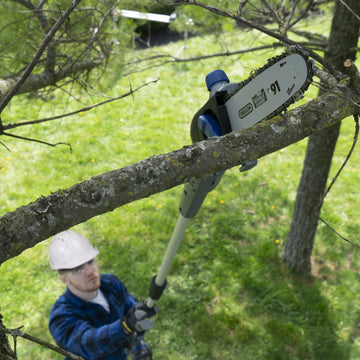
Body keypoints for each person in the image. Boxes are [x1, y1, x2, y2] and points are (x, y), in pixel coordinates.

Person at [48, 230, 157, 360]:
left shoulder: (111, 284)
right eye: (78, 269)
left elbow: (134, 313)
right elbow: (89, 344)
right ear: (64, 279)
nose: (90, 271)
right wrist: (125, 326)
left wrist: (138, 344)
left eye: (90, 262)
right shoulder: (61, 318)